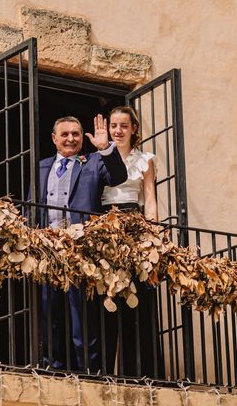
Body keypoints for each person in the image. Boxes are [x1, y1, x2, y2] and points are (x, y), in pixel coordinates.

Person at [38, 114, 127, 372]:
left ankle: (89, 370)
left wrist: (105, 149)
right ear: (54, 139)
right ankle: (51, 367)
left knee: (82, 317)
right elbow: (33, 205)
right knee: (49, 314)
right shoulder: (41, 166)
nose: (71, 139)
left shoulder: (92, 161)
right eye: (64, 134)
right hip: (48, 251)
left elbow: (118, 177)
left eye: (75, 134)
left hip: (81, 250)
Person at [101, 105, 163, 378]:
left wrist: (154, 234)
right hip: (104, 224)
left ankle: (142, 369)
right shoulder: (98, 158)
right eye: (114, 126)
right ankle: (103, 368)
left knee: (137, 292)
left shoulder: (145, 160)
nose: (118, 131)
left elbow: (149, 198)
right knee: (107, 293)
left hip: (134, 222)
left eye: (124, 126)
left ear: (134, 129)